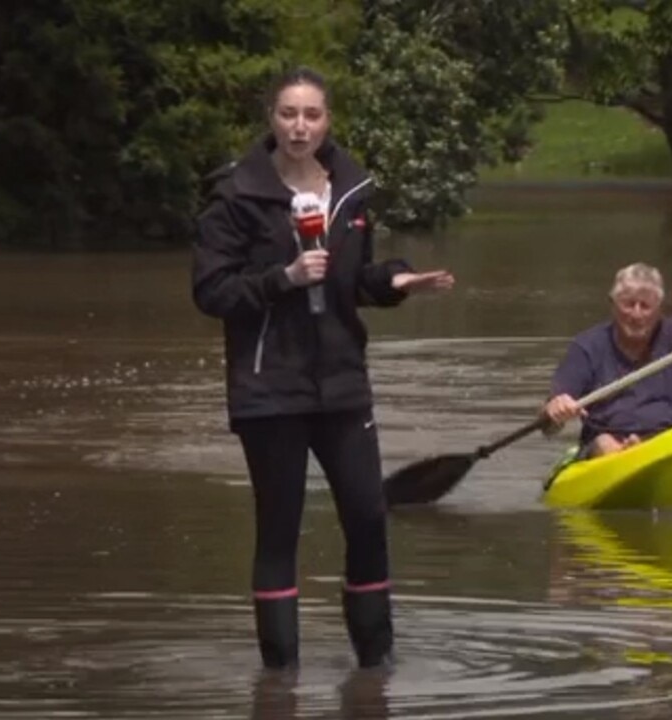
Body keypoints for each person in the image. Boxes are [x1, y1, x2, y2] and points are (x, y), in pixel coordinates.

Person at [191, 67, 454, 670]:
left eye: (312, 114)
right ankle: (279, 681)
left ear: (328, 120)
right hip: (269, 389)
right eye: (288, 114)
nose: (300, 126)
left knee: (367, 517)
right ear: (271, 120)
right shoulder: (235, 197)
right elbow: (211, 292)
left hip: (341, 384)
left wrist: (393, 281)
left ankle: (376, 672)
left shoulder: (352, 191)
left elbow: (352, 283)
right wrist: (280, 279)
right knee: (279, 530)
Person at [542, 262, 672, 459]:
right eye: (628, 304)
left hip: (670, 440)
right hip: (607, 445)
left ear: (659, 309)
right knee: (604, 443)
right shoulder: (587, 346)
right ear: (613, 304)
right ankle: (627, 455)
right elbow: (549, 426)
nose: (636, 314)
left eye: (645, 306)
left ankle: (643, 450)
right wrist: (556, 408)